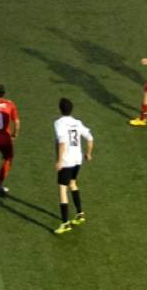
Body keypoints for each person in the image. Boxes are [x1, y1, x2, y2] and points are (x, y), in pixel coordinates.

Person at [51, 97, 93, 234]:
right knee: (73, 183)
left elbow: (62, 142)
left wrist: (59, 161)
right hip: (77, 159)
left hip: (67, 160)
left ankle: (65, 223)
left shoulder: (59, 123)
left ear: (60, 109)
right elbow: (90, 138)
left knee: (62, 189)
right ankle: (80, 214)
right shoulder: (77, 122)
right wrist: (88, 153)